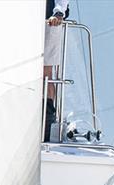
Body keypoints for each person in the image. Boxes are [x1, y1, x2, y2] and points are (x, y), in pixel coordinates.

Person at [43, 0, 69, 142]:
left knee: (45, 74)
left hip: (50, 21)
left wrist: (58, 13)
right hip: (23, 21)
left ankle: (46, 122)